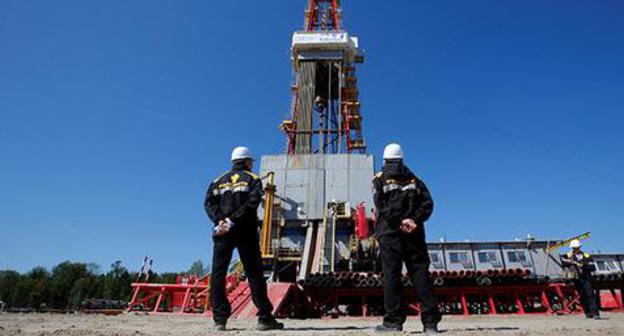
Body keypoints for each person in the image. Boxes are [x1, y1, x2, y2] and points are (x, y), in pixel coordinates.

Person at [204, 146, 284, 331]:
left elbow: (208, 202)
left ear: (233, 161)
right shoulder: (253, 179)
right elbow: (251, 203)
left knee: (218, 273)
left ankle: (220, 319)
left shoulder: (218, 181)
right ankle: (264, 317)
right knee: (254, 273)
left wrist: (220, 220)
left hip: (222, 230)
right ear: (248, 162)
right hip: (245, 229)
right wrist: (233, 220)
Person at [372, 143, 441, 334]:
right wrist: (413, 220)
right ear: (402, 159)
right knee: (420, 275)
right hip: (414, 234)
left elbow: (382, 206)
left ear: (385, 160)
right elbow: (428, 204)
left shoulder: (379, 179)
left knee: (392, 276)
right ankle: (430, 324)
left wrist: (399, 220)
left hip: (389, 233)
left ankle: (393, 323)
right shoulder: (416, 180)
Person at [561, 239, 600, 319]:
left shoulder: (586, 255)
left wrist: (584, 265)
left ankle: (595, 313)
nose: (576, 249)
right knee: (582, 296)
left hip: (587, 278)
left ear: (579, 247)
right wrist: (571, 262)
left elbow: (593, 267)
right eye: (574, 248)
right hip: (577, 279)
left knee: (590, 294)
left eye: (577, 247)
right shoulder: (568, 255)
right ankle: (587, 312)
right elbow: (563, 262)